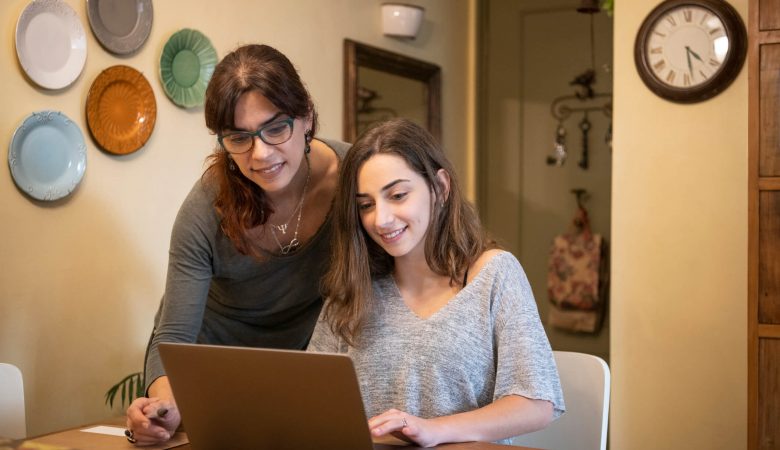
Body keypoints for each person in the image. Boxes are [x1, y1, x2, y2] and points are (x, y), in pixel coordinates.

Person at [125, 44, 349, 446]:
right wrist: (161, 406)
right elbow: (173, 335)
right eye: (239, 137)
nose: (260, 154)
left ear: (307, 117)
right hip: (213, 371)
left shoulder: (356, 179)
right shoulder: (205, 208)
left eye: (276, 128)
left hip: (304, 369)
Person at [309, 118, 564, 447]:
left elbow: (537, 403)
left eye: (398, 195)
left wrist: (433, 430)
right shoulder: (354, 286)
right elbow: (314, 398)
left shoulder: (495, 274)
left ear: (440, 188)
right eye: (366, 205)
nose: (381, 219)